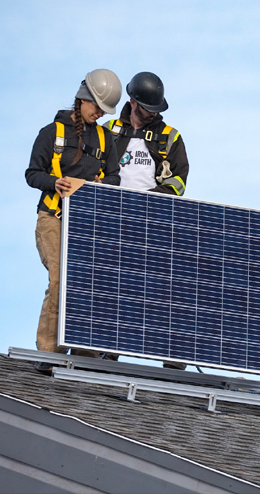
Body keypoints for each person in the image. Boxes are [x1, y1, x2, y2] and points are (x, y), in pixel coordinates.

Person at [25, 69, 122, 372]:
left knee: (88, 285)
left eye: (104, 111)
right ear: (83, 97)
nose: (98, 114)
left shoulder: (107, 139)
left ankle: (86, 356)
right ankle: (49, 352)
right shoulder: (51, 132)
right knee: (59, 281)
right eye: (96, 107)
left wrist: (96, 186)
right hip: (53, 218)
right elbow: (32, 174)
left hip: (87, 224)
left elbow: (115, 179)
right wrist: (55, 183)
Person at [105, 71, 190, 370]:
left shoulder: (170, 137)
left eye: (157, 110)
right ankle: (102, 353)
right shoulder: (108, 131)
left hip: (155, 224)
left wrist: (154, 198)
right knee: (111, 290)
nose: (153, 114)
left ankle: (174, 361)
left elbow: (180, 180)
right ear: (133, 102)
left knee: (165, 291)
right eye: (148, 109)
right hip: (114, 222)